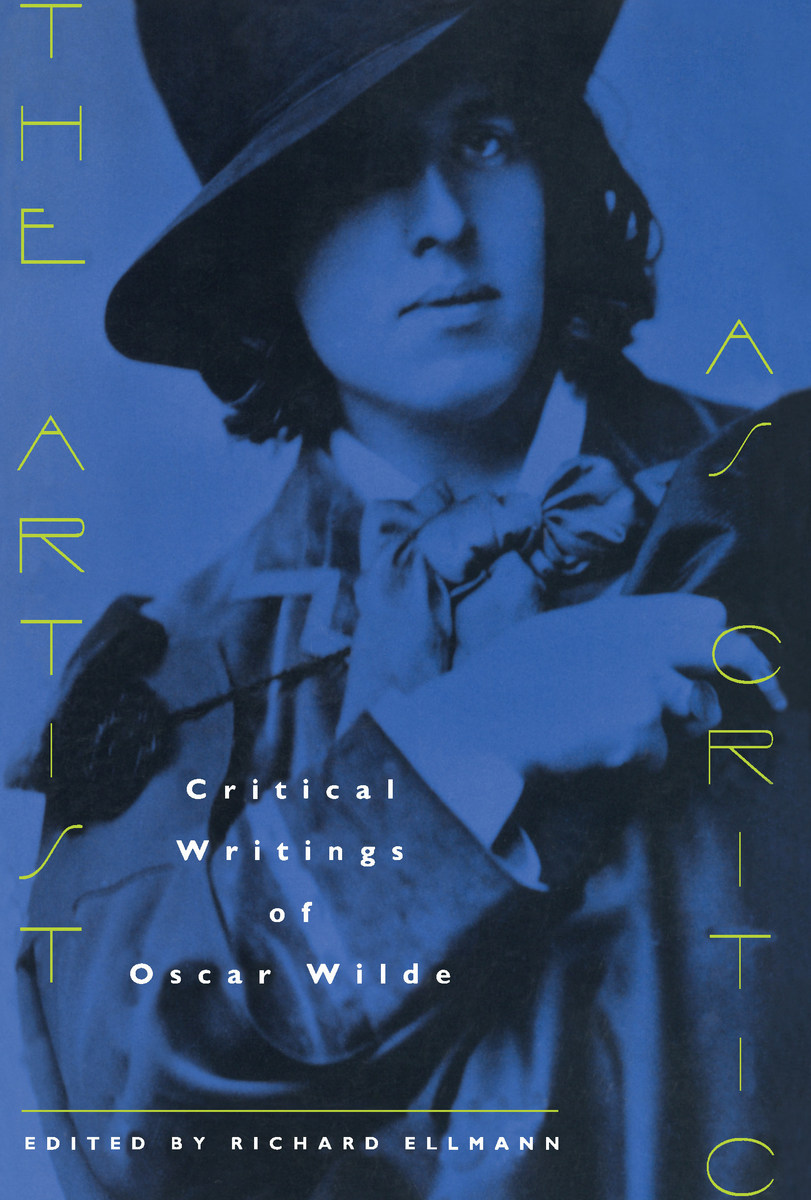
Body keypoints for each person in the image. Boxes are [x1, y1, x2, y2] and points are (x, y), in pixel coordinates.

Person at [11, 2, 805, 1198]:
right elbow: (138, 1128)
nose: (443, 220)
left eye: (485, 138)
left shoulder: (776, 505)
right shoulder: (179, 680)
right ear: (266, 243)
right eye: (358, 164)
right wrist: (465, 741)